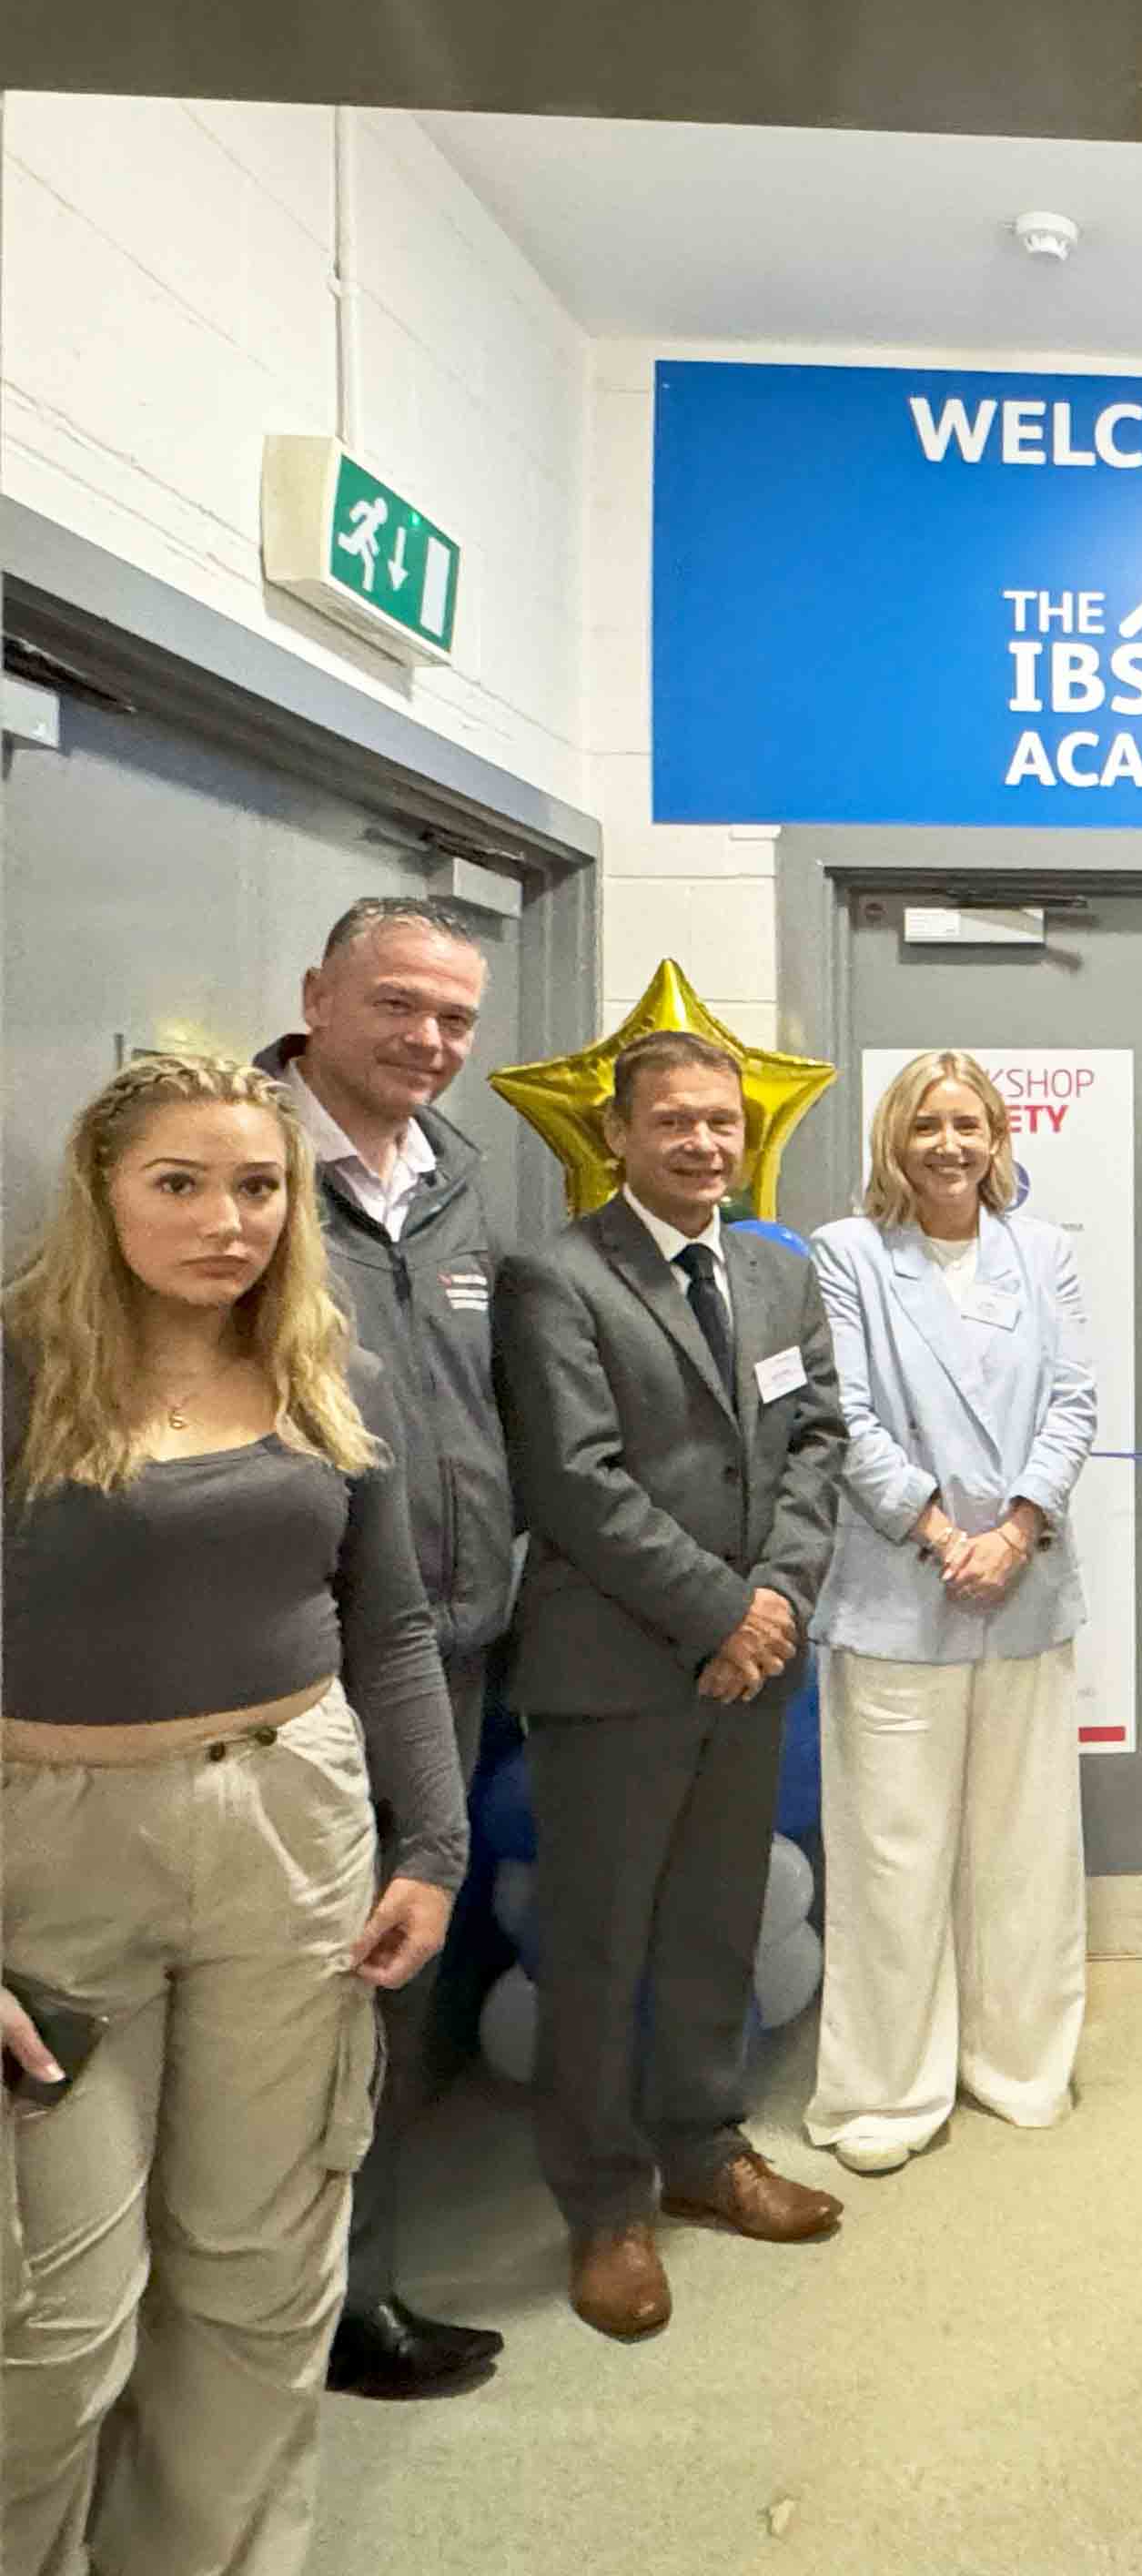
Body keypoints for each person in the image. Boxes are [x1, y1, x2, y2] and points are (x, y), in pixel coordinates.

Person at [0, 1053, 466, 2576]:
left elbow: (387, 1627)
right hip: (55, 1852)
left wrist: (431, 1844)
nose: (227, 1220)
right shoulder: (20, 1369)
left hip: (293, 1832)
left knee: (261, 2274)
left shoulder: (330, 1366)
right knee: (54, 2322)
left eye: (258, 1185)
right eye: (180, 1184)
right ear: (103, 1191)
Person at [493, 1029, 847, 2344]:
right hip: (618, 1673)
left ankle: (703, 2153)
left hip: (747, 1669)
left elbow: (817, 1439)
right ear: (621, 1136)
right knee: (598, 1949)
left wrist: (781, 1599)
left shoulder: (771, 1270)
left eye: (723, 1123)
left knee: (712, 1924)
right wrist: (724, 1608)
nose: (705, 1143)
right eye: (677, 1123)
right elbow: (574, 1481)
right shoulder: (556, 1277)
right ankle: (604, 2208)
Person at [258, 893, 516, 2400]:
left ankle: (356, 2288)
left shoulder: (461, 1186)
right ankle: (271, 2310)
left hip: (442, 1647)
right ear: (317, 994)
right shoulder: (246, 1169)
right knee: (283, 1981)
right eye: (400, 1004)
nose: (430, 1039)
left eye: (455, 1018)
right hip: (287, 1651)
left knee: (389, 1970)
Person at [804, 1052, 1099, 2176]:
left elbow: (1073, 1397)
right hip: (899, 1593)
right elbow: (848, 1414)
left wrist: (1016, 1530)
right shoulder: (850, 1258)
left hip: (1025, 1589)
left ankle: (1020, 2062)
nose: (948, 1144)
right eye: (926, 1124)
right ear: (895, 1137)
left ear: (997, 1137)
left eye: (968, 1123)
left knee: (1025, 1850)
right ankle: (888, 2086)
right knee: (894, 1853)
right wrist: (941, 1535)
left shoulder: (1044, 1251)